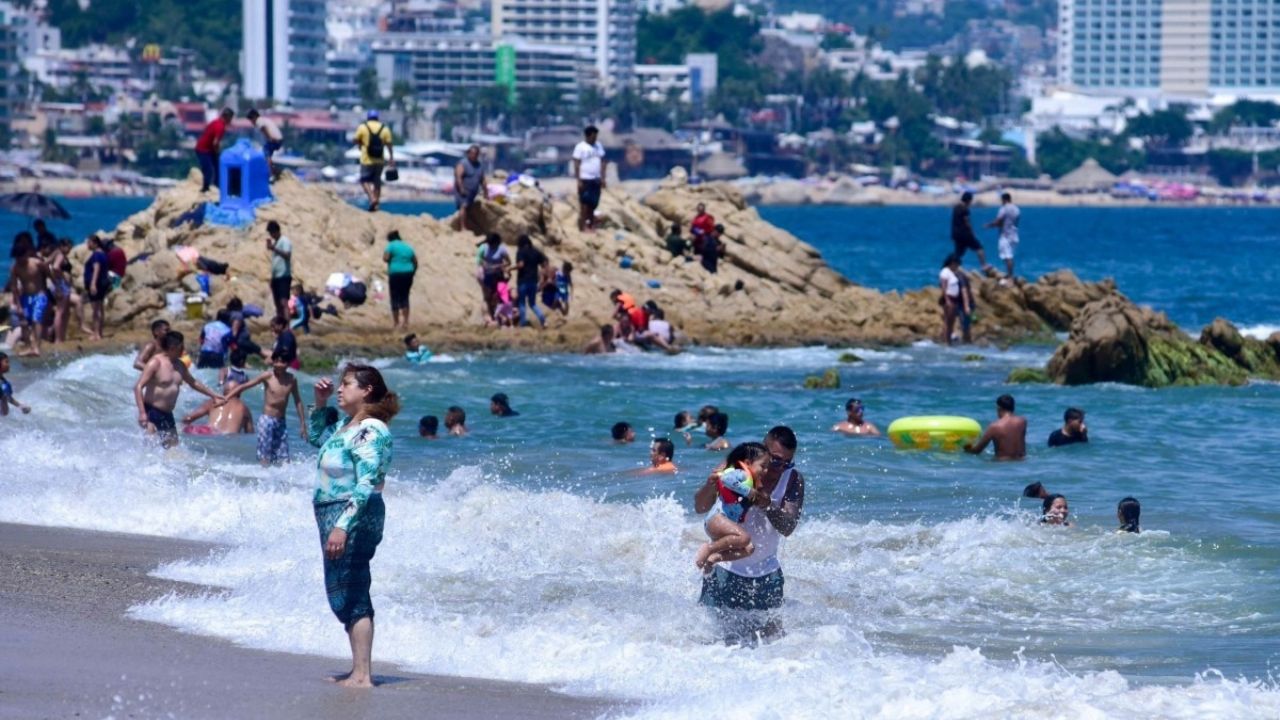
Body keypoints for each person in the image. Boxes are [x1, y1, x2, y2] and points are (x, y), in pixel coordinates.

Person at [306, 364, 399, 688]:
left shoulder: (371, 429)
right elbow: (317, 439)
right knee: (343, 589)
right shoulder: (349, 426)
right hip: (338, 514)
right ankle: (357, 669)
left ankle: (363, 676)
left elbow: (367, 482)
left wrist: (343, 526)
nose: (339, 390)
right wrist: (319, 404)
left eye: (346, 384)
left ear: (367, 390)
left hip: (353, 514)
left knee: (353, 588)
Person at [695, 426, 805, 645]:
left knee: (772, 643)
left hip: (767, 573)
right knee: (712, 641)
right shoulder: (736, 469)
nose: (779, 468)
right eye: (775, 461)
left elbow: (788, 527)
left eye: (787, 462)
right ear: (763, 450)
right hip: (724, 569)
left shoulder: (793, 479)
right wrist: (709, 486)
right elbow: (700, 507)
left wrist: (767, 504)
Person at [134, 331, 224, 448]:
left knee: (173, 451)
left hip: (167, 414)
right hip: (151, 412)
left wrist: (213, 395)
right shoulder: (155, 363)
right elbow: (138, 387)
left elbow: (193, 382)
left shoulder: (180, 365)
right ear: (172, 347)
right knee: (149, 449)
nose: (184, 349)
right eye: (182, 346)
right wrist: (142, 413)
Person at [695, 442, 772, 572]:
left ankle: (714, 558)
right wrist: (748, 491)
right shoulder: (742, 473)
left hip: (724, 523)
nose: (766, 471)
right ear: (747, 463)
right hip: (717, 518)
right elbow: (726, 479)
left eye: (767, 467)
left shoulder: (752, 484)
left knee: (749, 548)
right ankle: (709, 548)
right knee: (744, 538)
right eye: (763, 466)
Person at [229, 350, 308, 465]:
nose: (278, 365)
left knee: (284, 458)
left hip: (281, 422)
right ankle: (263, 480)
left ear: (287, 364)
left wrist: (302, 424)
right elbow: (245, 386)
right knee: (265, 456)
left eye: (282, 362)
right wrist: (226, 397)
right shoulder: (268, 376)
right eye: (276, 361)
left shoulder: (292, 379)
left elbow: (298, 401)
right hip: (266, 421)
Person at [9, 235, 50, 356]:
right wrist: (18, 304)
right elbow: (14, 287)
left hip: (40, 295)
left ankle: (36, 347)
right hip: (25, 297)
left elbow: (49, 273)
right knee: (24, 323)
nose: (19, 260)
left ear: (26, 255)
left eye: (20, 257)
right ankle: (29, 346)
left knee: (37, 319)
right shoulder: (15, 268)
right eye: (17, 258)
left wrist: (57, 288)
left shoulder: (37, 263)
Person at [182, 369, 254, 435]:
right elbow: (250, 433)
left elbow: (188, 418)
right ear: (240, 393)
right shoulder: (244, 409)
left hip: (212, 434)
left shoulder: (215, 402)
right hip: (231, 440)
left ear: (223, 392)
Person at [964, 394, 1027, 460]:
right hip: (1021, 461)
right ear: (1013, 407)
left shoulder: (994, 427)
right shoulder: (1022, 422)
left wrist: (966, 448)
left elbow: (977, 451)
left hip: (1001, 464)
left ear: (998, 408)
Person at [354, 110, 394, 212]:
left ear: (368, 117)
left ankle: (372, 198)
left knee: (364, 180)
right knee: (377, 181)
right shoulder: (384, 129)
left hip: (366, 159)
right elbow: (389, 144)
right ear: (377, 118)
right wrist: (391, 157)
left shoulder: (363, 127)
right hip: (379, 160)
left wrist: (360, 144)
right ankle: (376, 204)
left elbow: (355, 139)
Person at [573, 125, 607, 232]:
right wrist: (578, 180)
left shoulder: (598, 146)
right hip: (585, 178)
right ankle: (583, 226)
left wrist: (603, 178)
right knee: (584, 203)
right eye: (594, 136)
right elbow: (577, 163)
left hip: (596, 179)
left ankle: (591, 224)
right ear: (588, 135)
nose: (595, 138)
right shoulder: (580, 147)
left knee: (594, 203)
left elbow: (602, 161)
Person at [383, 230, 417, 330]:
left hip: (395, 273)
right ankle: (406, 322)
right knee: (404, 297)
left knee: (394, 297)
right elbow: (415, 261)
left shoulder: (391, 245)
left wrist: (392, 260)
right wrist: (412, 272)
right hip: (408, 274)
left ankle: (396, 323)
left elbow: (385, 258)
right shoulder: (407, 247)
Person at [195, 108, 235, 193]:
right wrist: (217, 152)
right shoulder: (220, 127)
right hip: (203, 149)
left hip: (208, 149)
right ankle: (205, 189)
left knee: (217, 167)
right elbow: (215, 142)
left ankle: (218, 185)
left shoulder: (216, 122)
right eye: (231, 118)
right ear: (227, 117)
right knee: (208, 169)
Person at [950, 191, 991, 271]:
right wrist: (972, 233)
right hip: (965, 234)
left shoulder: (956, 208)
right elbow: (967, 222)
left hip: (956, 234)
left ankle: (953, 267)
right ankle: (984, 265)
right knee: (979, 248)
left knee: (959, 252)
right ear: (968, 200)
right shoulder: (965, 209)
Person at [984, 192, 1020, 281]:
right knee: (1010, 256)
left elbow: (998, 221)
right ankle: (1010, 274)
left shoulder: (1004, 209)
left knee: (1007, 256)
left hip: (1005, 235)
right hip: (1014, 235)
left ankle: (1010, 276)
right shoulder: (1016, 209)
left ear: (1004, 199)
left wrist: (989, 225)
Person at [513, 235, 547, 329]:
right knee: (532, 303)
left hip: (523, 281)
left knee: (522, 303)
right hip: (533, 281)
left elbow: (521, 265)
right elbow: (544, 264)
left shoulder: (520, 252)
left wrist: (510, 268)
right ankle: (543, 320)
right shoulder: (536, 252)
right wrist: (542, 278)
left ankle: (523, 323)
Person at [82, 235, 111, 341]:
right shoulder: (103, 254)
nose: (87, 245)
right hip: (102, 283)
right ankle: (99, 332)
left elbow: (96, 269)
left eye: (89, 242)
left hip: (97, 284)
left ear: (94, 243)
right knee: (100, 308)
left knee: (96, 310)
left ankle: (96, 333)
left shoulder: (96, 255)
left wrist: (93, 284)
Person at [265, 221, 293, 322]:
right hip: (276, 277)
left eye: (271, 233)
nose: (271, 235)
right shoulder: (276, 242)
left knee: (283, 302)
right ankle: (281, 324)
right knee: (277, 303)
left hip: (283, 277)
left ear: (276, 231)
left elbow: (287, 255)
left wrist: (274, 248)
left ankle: (287, 326)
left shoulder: (284, 241)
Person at [454, 145, 486, 233]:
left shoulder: (479, 165)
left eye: (476, 154)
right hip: (463, 191)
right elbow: (458, 177)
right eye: (472, 153)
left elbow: (482, 179)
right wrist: (461, 188)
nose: (474, 155)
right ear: (468, 153)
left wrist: (486, 191)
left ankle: (470, 226)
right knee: (463, 207)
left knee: (469, 208)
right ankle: (462, 227)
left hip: (473, 192)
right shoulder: (463, 164)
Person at [478, 234, 510, 320]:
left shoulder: (502, 249)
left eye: (492, 244)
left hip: (498, 276)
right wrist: (484, 264)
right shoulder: (485, 248)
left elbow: (508, 262)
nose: (490, 245)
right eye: (489, 244)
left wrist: (498, 266)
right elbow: (480, 260)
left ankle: (501, 317)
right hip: (488, 275)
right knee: (488, 297)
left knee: (500, 296)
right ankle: (492, 316)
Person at [247, 109, 284, 179]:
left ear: (254, 117)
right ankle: (274, 171)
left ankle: (271, 174)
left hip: (274, 139)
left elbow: (264, 128)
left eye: (251, 120)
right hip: (280, 139)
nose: (252, 123)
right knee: (268, 154)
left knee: (266, 153)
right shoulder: (264, 119)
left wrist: (270, 137)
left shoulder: (259, 121)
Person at [938, 254, 961, 346]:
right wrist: (947, 300)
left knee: (952, 320)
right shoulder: (945, 272)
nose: (957, 267)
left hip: (954, 298)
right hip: (949, 298)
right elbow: (944, 287)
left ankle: (949, 340)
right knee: (948, 320)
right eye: (956, 264)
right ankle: (946, 340)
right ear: (952, 263)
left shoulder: (952, 273)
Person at [0, 352, 32, 416]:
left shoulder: (3, 381)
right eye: (6, 362)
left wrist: (20, 406)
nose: (9, 365)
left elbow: (8, 397)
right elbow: (3, 397)